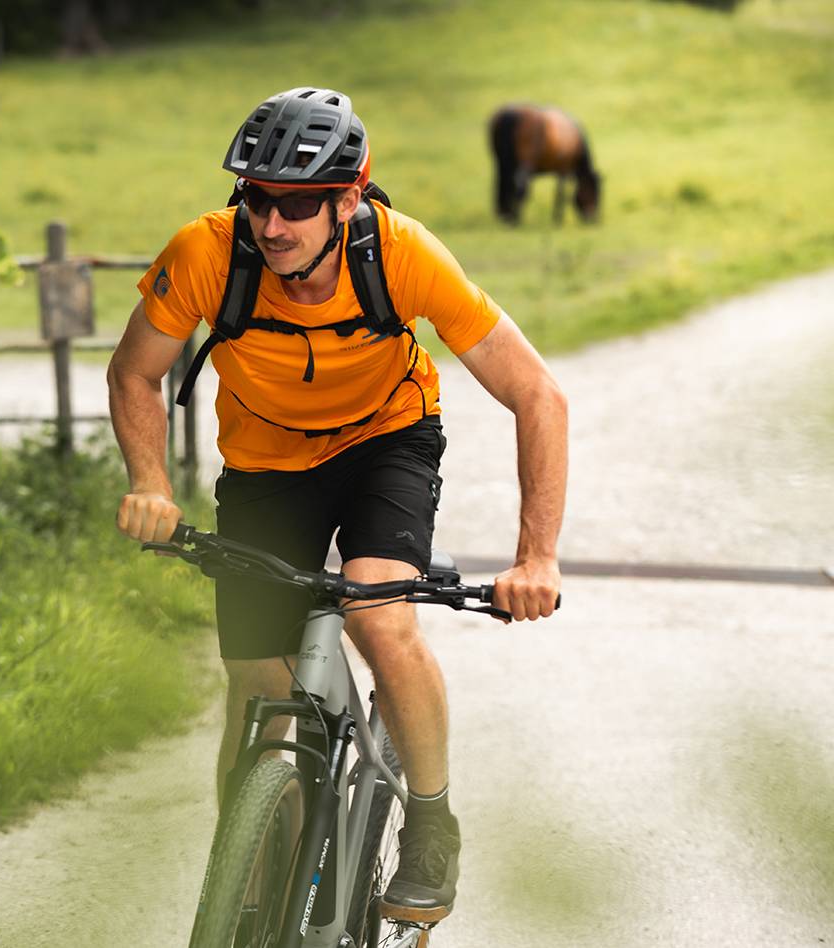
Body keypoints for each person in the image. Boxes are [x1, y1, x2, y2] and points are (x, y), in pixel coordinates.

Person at [107, 87, 566, 924]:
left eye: (296, 204)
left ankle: (430, 822)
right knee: (253, 691)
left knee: (380, 617)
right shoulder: (208, 254)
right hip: (265, 462)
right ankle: (246, 871)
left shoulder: (403, 255)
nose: (270, 225)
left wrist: (536, 557)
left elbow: (536, 392)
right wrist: (151, 484)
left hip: (385, 442)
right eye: (255, 198)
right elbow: (133, 370)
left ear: (348, 197)